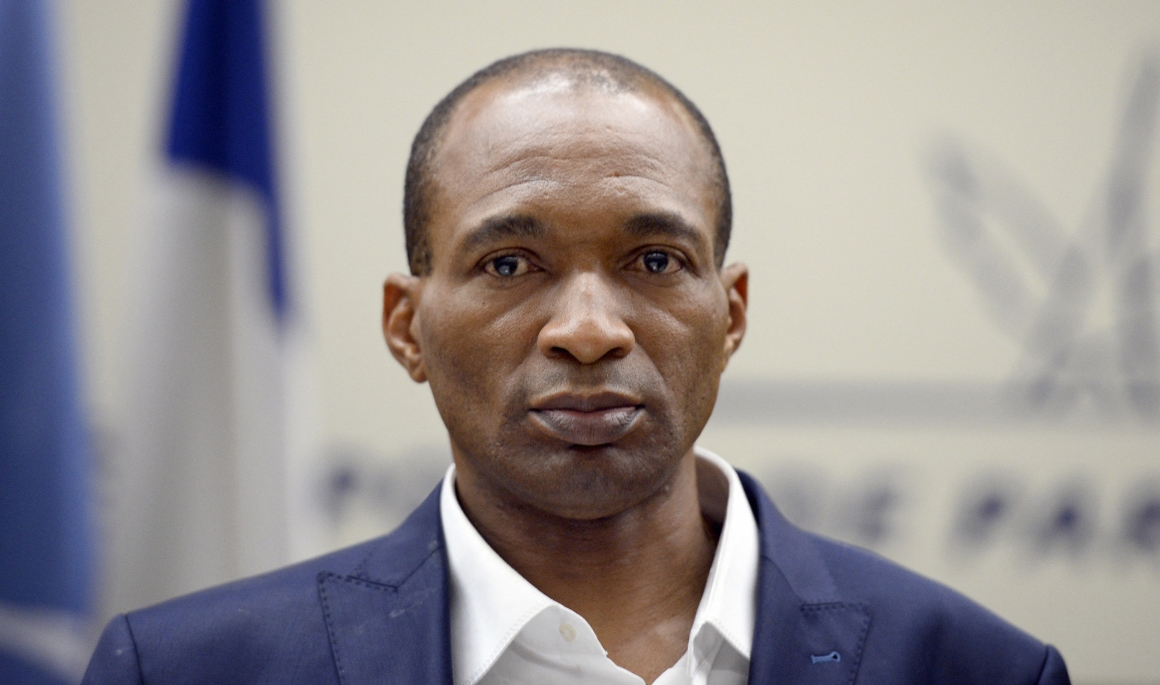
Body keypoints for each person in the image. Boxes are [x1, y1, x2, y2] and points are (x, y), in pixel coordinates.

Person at [82, 48, 1070, 685]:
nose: (588, 330)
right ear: (406, 326)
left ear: (730, 315)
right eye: (510, 263)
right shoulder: (184, 670)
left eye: (653, 261)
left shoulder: (971, 667)